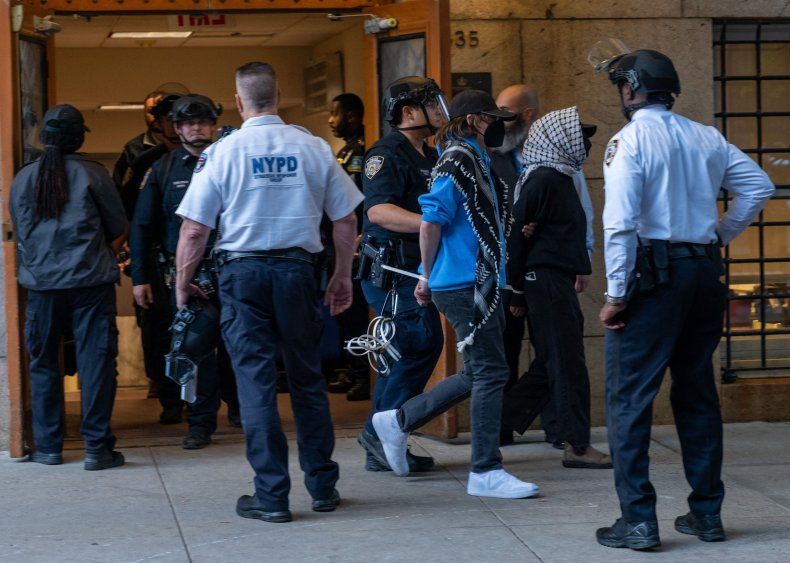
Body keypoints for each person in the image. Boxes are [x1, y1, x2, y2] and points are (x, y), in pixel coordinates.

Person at [592, 49, 774, 550]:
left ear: (631, 89)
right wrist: (718, 234)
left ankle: (639, 521)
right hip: (703, 271)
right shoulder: (706, 135)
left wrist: (616, 293)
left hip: (653, 277)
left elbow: (620, 223)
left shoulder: (629, 140)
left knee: (630, 397)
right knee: (697, 393)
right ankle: (707, 515)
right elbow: (758, 186)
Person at [174, 62, 363, 523]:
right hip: (299, 275)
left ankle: (272, 496)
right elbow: (346, 220)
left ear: (238, 102)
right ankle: (323, 487)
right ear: (278, 95)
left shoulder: (223, 152)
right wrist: (340, 276)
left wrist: (182, 283)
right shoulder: (314, 147)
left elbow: (196, 229)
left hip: (242, 278)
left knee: (255, 384)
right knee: (307, 379)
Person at [372, 89, 539, 500]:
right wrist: (426, 276)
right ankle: (484, 470)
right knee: (491, 372)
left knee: (481, 370)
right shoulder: (456, 160)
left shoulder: (474, 157)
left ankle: (397, 420)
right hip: (462, 282)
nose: (499, 124)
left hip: (479, 281)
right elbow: (431, 223)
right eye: (491, 117)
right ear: (473, 120)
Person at [10, 105, 127, 470]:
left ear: (44, 137)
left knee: (43, 364)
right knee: (96, 363)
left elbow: (20, 232)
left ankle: (48, 447)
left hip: (42, 287)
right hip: (90, 283)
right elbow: (118, 225)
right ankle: (97, 448)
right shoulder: (93, 174)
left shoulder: (22, 179)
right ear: (78, 138)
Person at [503, 107, 612, 470]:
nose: (587, 143)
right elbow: (517, 237)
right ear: (557, 139)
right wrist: (516, 291)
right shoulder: (543, 179)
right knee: (568, 365)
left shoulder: (558, 175)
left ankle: (496, 421)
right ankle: (577, 446)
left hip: (554, 280)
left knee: (551, 363)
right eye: (580, 136)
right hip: (544, 282)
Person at [130, 94, 241, 449]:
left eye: (203, 122)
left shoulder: (231, 160)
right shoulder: (162, 169)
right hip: (185, 277)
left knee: (239, 346)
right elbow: (143, 227)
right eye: (188, 123)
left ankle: (241, 409)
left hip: (232, 268)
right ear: (176, 129)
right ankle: (200, 423)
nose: (196, 128)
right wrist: (140, 278)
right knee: (195, 352)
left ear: (214, 124)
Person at [492, 84, 596, 448]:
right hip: (521, 275)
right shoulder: (503, 160)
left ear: (529, 115)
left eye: (507, 110)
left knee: (553, 357)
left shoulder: (561, 168)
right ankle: (498, 425)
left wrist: (583, 259)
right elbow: (516, 226)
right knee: (531, 356)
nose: (501, 118)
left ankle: (557, 429)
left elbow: (581, 212)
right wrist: (516, 285)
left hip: (547, 273)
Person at [355, 76, 448, 473]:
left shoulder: (427, 154)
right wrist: (431, 223)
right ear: (408, 112)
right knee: (421, 342)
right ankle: (380, 433)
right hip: (390, 271)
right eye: (428, 103)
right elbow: (377, 211)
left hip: (414, 268)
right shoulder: (386, 153)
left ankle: (382, 440)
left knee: (410, 349)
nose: (436, 109)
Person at [115, 92, 184, 421]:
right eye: (169, 118)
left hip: (203, 261)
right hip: (158, 259)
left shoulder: (213, 157)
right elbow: (131, 220)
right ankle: (170, 397)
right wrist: (136, 267)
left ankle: (209, 403)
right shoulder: (145, 161)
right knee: (160, 331)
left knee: (204, 333)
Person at [325, 92, 371, 401]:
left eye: (335, 113)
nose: (330, 119)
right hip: (341, 245)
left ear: (352, 116)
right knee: (343, 313)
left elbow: (361, 201)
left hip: (359, 243)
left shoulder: (365, 152)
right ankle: (349, 369)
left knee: (357, 314)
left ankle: (364, 375)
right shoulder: (343, 153)